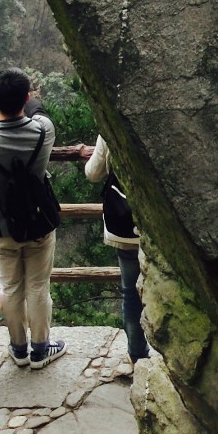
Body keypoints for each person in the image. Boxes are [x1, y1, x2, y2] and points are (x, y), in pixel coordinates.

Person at [0, 68, 65, 369]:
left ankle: (18, 349)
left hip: (1, 230)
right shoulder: (43, 131)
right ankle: (40, 350)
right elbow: (39, 111)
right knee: (38, 286)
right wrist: (29, 99)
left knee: (11, 288)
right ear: (28, 96)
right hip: (39, 224)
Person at [84, 133, 148, 370]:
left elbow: (93, 173)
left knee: (131, 293)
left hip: (124, 227)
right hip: (157, 227)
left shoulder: (109, 131)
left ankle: (137, 352)